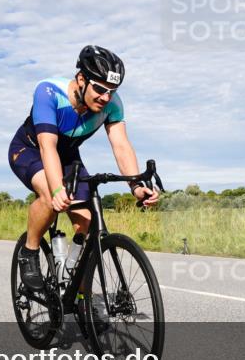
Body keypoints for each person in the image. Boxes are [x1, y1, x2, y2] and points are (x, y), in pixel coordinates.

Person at [8, 45, 159, 291]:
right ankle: (30, 250)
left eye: (112, 91)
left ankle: (81, 298)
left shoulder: (112, 104)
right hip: (31, 149)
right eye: (99, 89)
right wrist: (57, 190)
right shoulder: (49, 92)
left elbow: (121, 145)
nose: (105, 97)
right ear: (81, 79)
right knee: (49, 194)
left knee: (87, 221)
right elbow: (48, 147)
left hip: (68, 157)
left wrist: (136, 186)